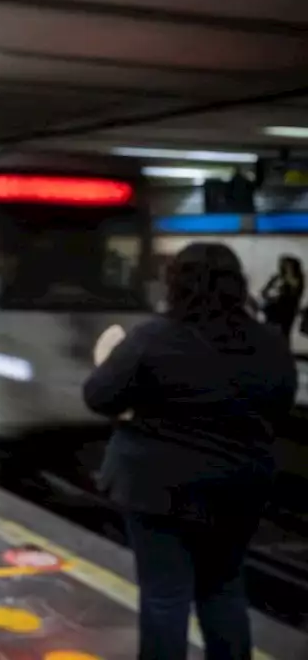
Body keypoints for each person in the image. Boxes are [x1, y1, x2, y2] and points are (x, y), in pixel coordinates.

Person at [83, 242, 296, 660]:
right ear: (238, 284)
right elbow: (281, 402)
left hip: (157, 489)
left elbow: (98, 396)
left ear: (175, 284)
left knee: (165, 596)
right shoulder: (269, 341)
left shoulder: (152, 337)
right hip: (237, 486)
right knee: (224, 590)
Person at [259, 254, 303, 340]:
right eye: (284, 265)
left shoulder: (297, 278)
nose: (286, 267)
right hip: (273, 309)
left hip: (287, 310)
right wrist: (270, 297)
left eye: (289, 265)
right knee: (271, 333)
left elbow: (296, 291)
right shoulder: (277, 277)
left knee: (284, 333)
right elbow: (264, 291)